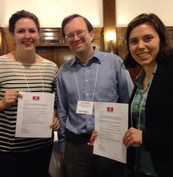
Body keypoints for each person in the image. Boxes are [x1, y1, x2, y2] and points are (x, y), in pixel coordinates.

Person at [56, 14, 134, 177]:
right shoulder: (63, 72)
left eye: (80, 32)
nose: (75, 38)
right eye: (70, 35)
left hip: (110, 142)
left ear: (91, 34)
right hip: (76, 147)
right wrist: (63, 146)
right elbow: (63, 112)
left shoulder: (115, 63)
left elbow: (129, 102)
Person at [0, 10, 60, 177]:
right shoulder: (1, 64)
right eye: (21, 31)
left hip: (42, 147)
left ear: (38, 34)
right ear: (12, 34)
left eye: (32, 31)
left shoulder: (51, 67)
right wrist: (3, 103)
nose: (27, 36)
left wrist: (54, 117)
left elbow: (54, 102)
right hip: (8, 150)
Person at [121, 13, 173, 177]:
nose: (140, 46)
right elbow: (142, 123)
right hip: (139, 168)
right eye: (134, 41)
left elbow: (145, 134)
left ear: (161, 39)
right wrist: (108, 133)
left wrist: (146, 138)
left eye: (147, 38)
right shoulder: (140, 78)